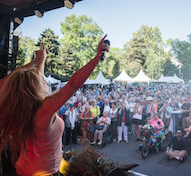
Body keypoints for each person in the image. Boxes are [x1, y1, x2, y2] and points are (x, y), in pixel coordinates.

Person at [0, 36, 109, 175]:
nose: (44, 79)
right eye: (41, 80)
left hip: (29, 169)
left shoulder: (27, 109)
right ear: (34, 87)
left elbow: (37, 75)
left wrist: (41, 59)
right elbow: (73, 84)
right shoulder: (43, 110)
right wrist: (96, 59)